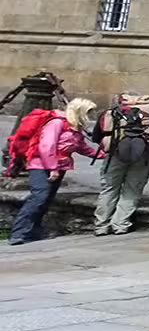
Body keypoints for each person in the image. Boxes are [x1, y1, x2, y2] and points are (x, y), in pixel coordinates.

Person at [9, 98, 104, 245]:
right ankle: (19, 233)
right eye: (88, 112)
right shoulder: (57, 123)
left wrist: (104, 154)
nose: (90, 115)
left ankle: (33, 231)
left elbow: (81, 147)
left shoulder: (74, 127)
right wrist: (52, 168)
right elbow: (47, 147)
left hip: (60, 166)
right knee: (39, 197)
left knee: (46, 200)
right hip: (41, 165)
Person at [91, 91, 149, 236]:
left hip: (115, 154)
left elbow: (96, 136)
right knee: (132, 189)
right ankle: (120, 225)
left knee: (109, 189)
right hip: (144, 155)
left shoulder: (113, 113)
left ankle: (101, 226)